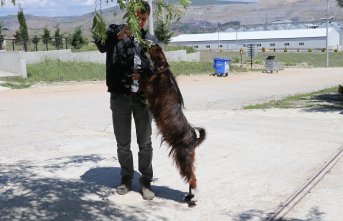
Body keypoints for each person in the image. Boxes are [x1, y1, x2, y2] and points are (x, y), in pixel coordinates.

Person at [94, 1, 158, 200]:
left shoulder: (150, 40)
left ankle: (146, 180)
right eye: (138, 17)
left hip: (142, 99)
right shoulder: (115, 32)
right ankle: (126, 177)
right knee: (123, 143)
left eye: (144, 19)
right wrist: (118, 35)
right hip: (119, 97)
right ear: (130, 15)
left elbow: (158, 70)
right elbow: (100, 44)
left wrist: (145, 76)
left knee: (145, 143)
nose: (141, 21)